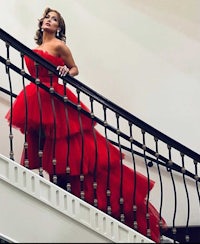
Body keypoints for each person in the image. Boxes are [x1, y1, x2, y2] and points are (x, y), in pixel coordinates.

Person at [5, 7, 167, 242]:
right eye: (47, 18)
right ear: (41, 23)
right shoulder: (35, 48)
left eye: (54, 20)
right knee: (40, 139)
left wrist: (65, 71)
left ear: (59, 27)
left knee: (75, 145)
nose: (49, 21)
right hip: (35, 96)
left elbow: (74, 68)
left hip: (54, 95)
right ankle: (53, 177)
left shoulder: (60, 46)